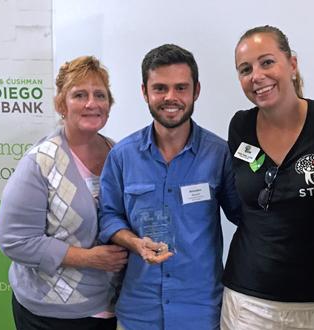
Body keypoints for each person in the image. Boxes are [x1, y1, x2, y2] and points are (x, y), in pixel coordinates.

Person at [98, 44, 241, 330]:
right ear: (144, 92)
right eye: (160, 88)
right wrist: (135, 243)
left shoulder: (219, 154)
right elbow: (109, 217)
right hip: (139, 310)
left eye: (180, 88)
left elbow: (244, 215)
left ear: (196, 91)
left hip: (200, 312)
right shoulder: (122, 156)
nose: (170, 97)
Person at [221, 25, 314, 329]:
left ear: (292, 64)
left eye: (267, 62)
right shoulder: (240, 127)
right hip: (246, 301)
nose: (257, 76)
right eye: (245, 69)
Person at [0, 56, 128, 330]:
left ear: (109, 105)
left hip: (109, 307)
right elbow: (14, 240)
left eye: (99, 95)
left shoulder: (120, 155)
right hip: (51, 315)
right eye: (79, 94)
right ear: (61, 105)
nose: (91, 103)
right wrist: (89, 259)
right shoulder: (40, 162)